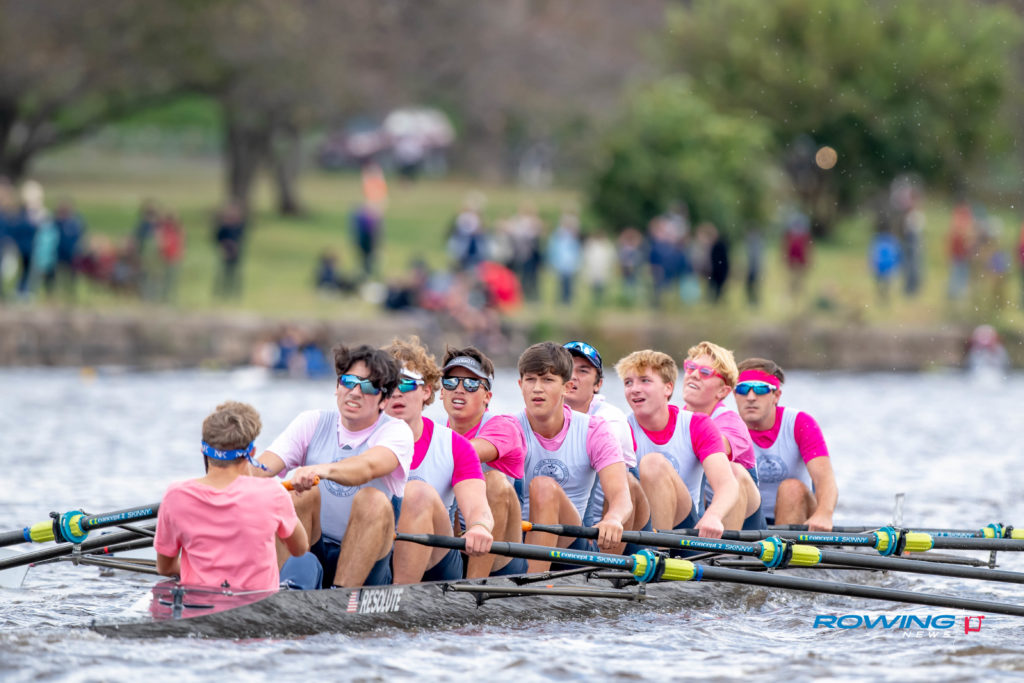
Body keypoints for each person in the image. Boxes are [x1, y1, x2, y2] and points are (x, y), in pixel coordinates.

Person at [255, 344, 414, 587]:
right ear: (337, 386)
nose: (355, 392)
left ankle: (342, 594)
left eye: (369, 386)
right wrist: (221, 476)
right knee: (297, 494)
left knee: (372, 499)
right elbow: (261, 469)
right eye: (348, 381)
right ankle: (279, 590)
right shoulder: (311, 422)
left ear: (384, 399)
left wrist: (321, 469)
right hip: (316, 544)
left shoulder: (396, 431)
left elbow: (367, 467)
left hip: (370, 561)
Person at [155, 402, 313, 591]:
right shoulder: (272, 492)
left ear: (203, 450)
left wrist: (198, 571)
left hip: (198, 602)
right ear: (252, 452)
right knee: (310, 564)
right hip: (259, 603)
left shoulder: (175, 495)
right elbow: (300, 549)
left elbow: (165, 568)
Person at [383, 337, 494, 583]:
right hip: (378, 549)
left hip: (436, 560)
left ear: (426, 390)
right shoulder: (360, 439)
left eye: (407, 383)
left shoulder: (454, 445)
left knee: (417, 493)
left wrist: (479, 526)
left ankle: (399, 598)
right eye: (388, 384)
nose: (397, 392)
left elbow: (477, 507)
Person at [517, 342, 631, 572]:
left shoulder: (597, 427)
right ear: (521, 385)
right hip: (518, 536)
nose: (537, 388)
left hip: (572, 542)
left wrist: (613, 518)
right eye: (531, 380)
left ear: (565, 387)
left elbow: (622, 497)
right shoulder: (509, 425)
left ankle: (530, 584)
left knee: (543, 487)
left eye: (547, 380)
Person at [614, 349, 739, 538]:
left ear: (668, 388)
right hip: (638, 525)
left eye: (645, 380)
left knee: (653, 463)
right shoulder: (620, 428)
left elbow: (727, 485)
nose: (634, 389)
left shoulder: (697, 425)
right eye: (628, 383)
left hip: (686, 531)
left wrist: (713, 516)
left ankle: (658, 550)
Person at [440, 345, 528, 577]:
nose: (459, 389)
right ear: (441, 392)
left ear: (487, 397)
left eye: (471, 384)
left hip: (501, 553)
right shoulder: (438, 432)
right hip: (456, 539)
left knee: (494, 480)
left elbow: (465, 452)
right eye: (451, 382)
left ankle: (474, 585)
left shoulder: (503, 426)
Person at [562, 341, 650, 552]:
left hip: (613, 525)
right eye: (567, 369)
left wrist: (611, 519)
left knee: (629, 479)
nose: (573, 376)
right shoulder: (538, 415)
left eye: (583, 371)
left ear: (598, 384)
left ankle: (607, 565)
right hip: (566, 518)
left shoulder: (609, 419)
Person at [735, 357, 837, 531]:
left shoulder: (800, 423)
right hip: (747, 517)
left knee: (791, 488)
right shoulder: (727, 427)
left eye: (760, 389)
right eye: (743, 389)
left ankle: (783, 545)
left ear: (776, 396)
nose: (751, 397)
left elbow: (824, 479)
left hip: (797, 515)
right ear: (734, 394)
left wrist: (824, 514)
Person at [680, 342, 766, 531]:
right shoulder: (678, 418)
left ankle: (721, 548)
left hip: (746, 525)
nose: (694, 375)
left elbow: (710, 446)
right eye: (691, 368)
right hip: (701, 513)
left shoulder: (731, 423)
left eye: (705, 372)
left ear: (723, 391)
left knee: (734, 470)